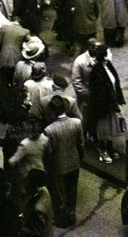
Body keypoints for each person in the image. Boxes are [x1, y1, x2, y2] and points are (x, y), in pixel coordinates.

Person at [42, 95, 83, 228]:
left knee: (59, 194)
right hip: (74, 162)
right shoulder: (76, 123)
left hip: (57, 166)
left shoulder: (49, 130)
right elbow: (81, 144)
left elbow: (49, 151)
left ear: (53, 111)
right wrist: (79, 157)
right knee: (72, 191)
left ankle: (61, 220)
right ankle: (71, 216)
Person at [86, 44, 124, 163]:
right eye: (109, 52)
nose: (111, 54)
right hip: (103, 107)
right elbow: (97, 93)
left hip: (111, 104)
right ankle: (103, 150)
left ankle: (110, 148)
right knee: (102, 129)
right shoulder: (96, 71)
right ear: (104, 56)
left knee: (110, 129)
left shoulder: (109, 66)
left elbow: (115, 83)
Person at [18, 168, 54, 237]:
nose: (25, 184)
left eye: (28, 183)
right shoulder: (44, 190)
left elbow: (36, 233)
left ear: (35, 186)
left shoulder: (38, 208)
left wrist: (19, 228)